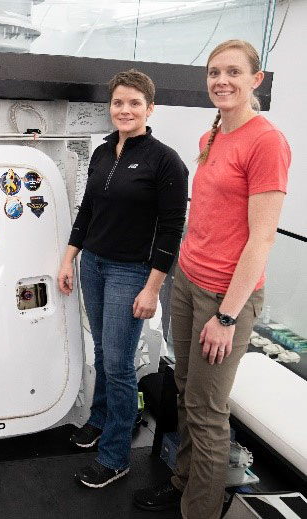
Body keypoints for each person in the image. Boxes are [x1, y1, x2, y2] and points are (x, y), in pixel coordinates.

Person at [134, 40, 290, 519]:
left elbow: (261, 240)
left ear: (255, 80)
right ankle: (182, 482)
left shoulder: (267, 142)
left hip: (226, 296)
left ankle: (197, 510)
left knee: (207, 410)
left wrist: (226, 315)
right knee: (184, 388)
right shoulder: (214, 134)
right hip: (188, 280)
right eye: (214, 72)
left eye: (233, 73)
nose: (222, 81)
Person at [57, 69, 189, 488]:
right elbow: (87, 212)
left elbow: (171, 230)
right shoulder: (101, 153)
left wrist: (153, 288)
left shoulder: (166, 161)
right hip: (92, 264)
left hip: (131, 272)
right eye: (118, 103)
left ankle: (115, 456)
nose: (125, 110)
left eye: (134, 103)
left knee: (118, 363)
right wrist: (68, 258)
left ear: (150, 109)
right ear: (110, 108)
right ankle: (100, 419)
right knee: (103, 349)